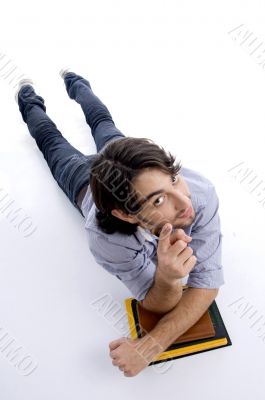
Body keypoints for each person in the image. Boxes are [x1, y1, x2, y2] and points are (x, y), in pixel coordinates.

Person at [16, 71, 225, 377]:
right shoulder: (105, 238)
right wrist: (166, 278)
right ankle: (27, 96)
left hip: (124, 161)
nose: (184, 203)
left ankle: (75, 82)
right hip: (83, 181)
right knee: (50, 139)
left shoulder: (200, 192)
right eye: (158, 200)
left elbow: (206, 284)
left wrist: (151, 344)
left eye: (174, 179)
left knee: (102, 121)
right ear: (126, 215)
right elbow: (156, 303)